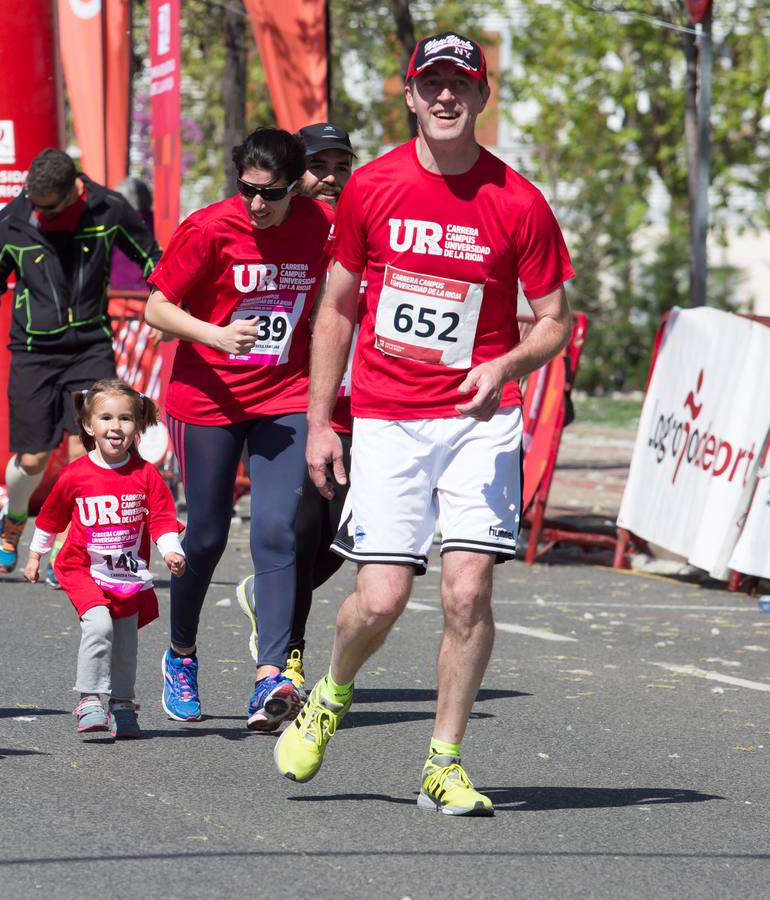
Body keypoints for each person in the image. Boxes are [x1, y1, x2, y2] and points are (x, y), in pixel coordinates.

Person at [274, 32, 574, 817]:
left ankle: (444, 760)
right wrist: (318, 421)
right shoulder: (370, 187)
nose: (445, 96)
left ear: (480, 97)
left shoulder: (518, 201)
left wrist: (504, 366)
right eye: (430, 83)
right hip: (386, 417)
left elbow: (552, 322)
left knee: (467, 591)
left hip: (479, 417)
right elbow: (336, 308)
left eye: (459, 84)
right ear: (409, 95)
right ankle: (329, 694)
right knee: (378, 598)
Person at [143, 127, 335, 730]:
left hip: (284, 393)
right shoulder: (209, 227)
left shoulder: (320, 226)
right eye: (247, 190)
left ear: (295, 185)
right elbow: (156, 308)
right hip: (209, 398)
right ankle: (180, 655)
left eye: (271, 193)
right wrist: (215, 334)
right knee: (205, 536)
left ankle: (270, 677)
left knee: (277, 529)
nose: (257, 204)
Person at [0, 148, 161, 574]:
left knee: (88, 445)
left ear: (73, 192)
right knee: (33, 459)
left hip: (90, 345)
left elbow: (153, 261)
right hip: (33, 350)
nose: (37, 213)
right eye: (32, 200)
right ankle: (13, 519)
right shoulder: (12, 219)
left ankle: (70, 545)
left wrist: (166, 308)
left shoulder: (109, 208)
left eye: (46, 207)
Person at [235, 122, 358, 690]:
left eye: (341, 166)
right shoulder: (280, 232)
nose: (331, 177)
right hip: (297, 404)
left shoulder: (358, 223)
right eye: (319, 167)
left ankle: (268, 591)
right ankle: (288, 658)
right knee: (302, 531)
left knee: (346, 534)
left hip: (365, 399)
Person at [23, 379, 184, 739]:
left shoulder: (146, 475)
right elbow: (51, 519)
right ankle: (91, 699)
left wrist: (172, 550)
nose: (116, 427)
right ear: (88, 425)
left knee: (126, 645)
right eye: (106, 418)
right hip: (82, 569)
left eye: (126, 419)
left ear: (137, 425)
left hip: (125, 574)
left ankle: (123, 704)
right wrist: (36, 554)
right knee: (99, 626)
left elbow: (161, 519)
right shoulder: (75, 475)